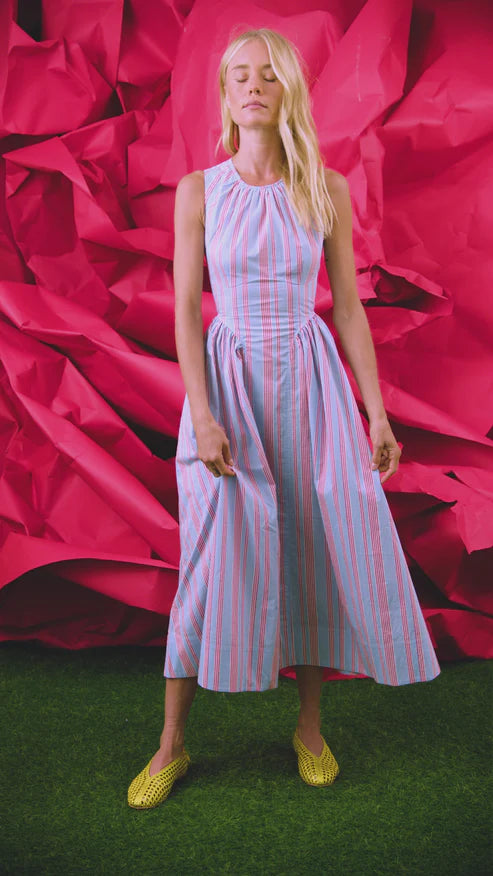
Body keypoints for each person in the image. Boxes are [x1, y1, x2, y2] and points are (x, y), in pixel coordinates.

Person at [128, 27, 441, 810]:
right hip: (229, 389)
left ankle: (307, 728)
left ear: (286, 90)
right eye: (239, 75)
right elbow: (184, 318)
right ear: (224, 93)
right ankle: (171, 741)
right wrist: (201, 417)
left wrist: (375, 415)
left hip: (312, 388)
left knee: (312, 547)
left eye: (268, 75)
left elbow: (351, 313)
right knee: (207, 558)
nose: (252, 85)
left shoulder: (323, 189)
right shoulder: (199, 191)